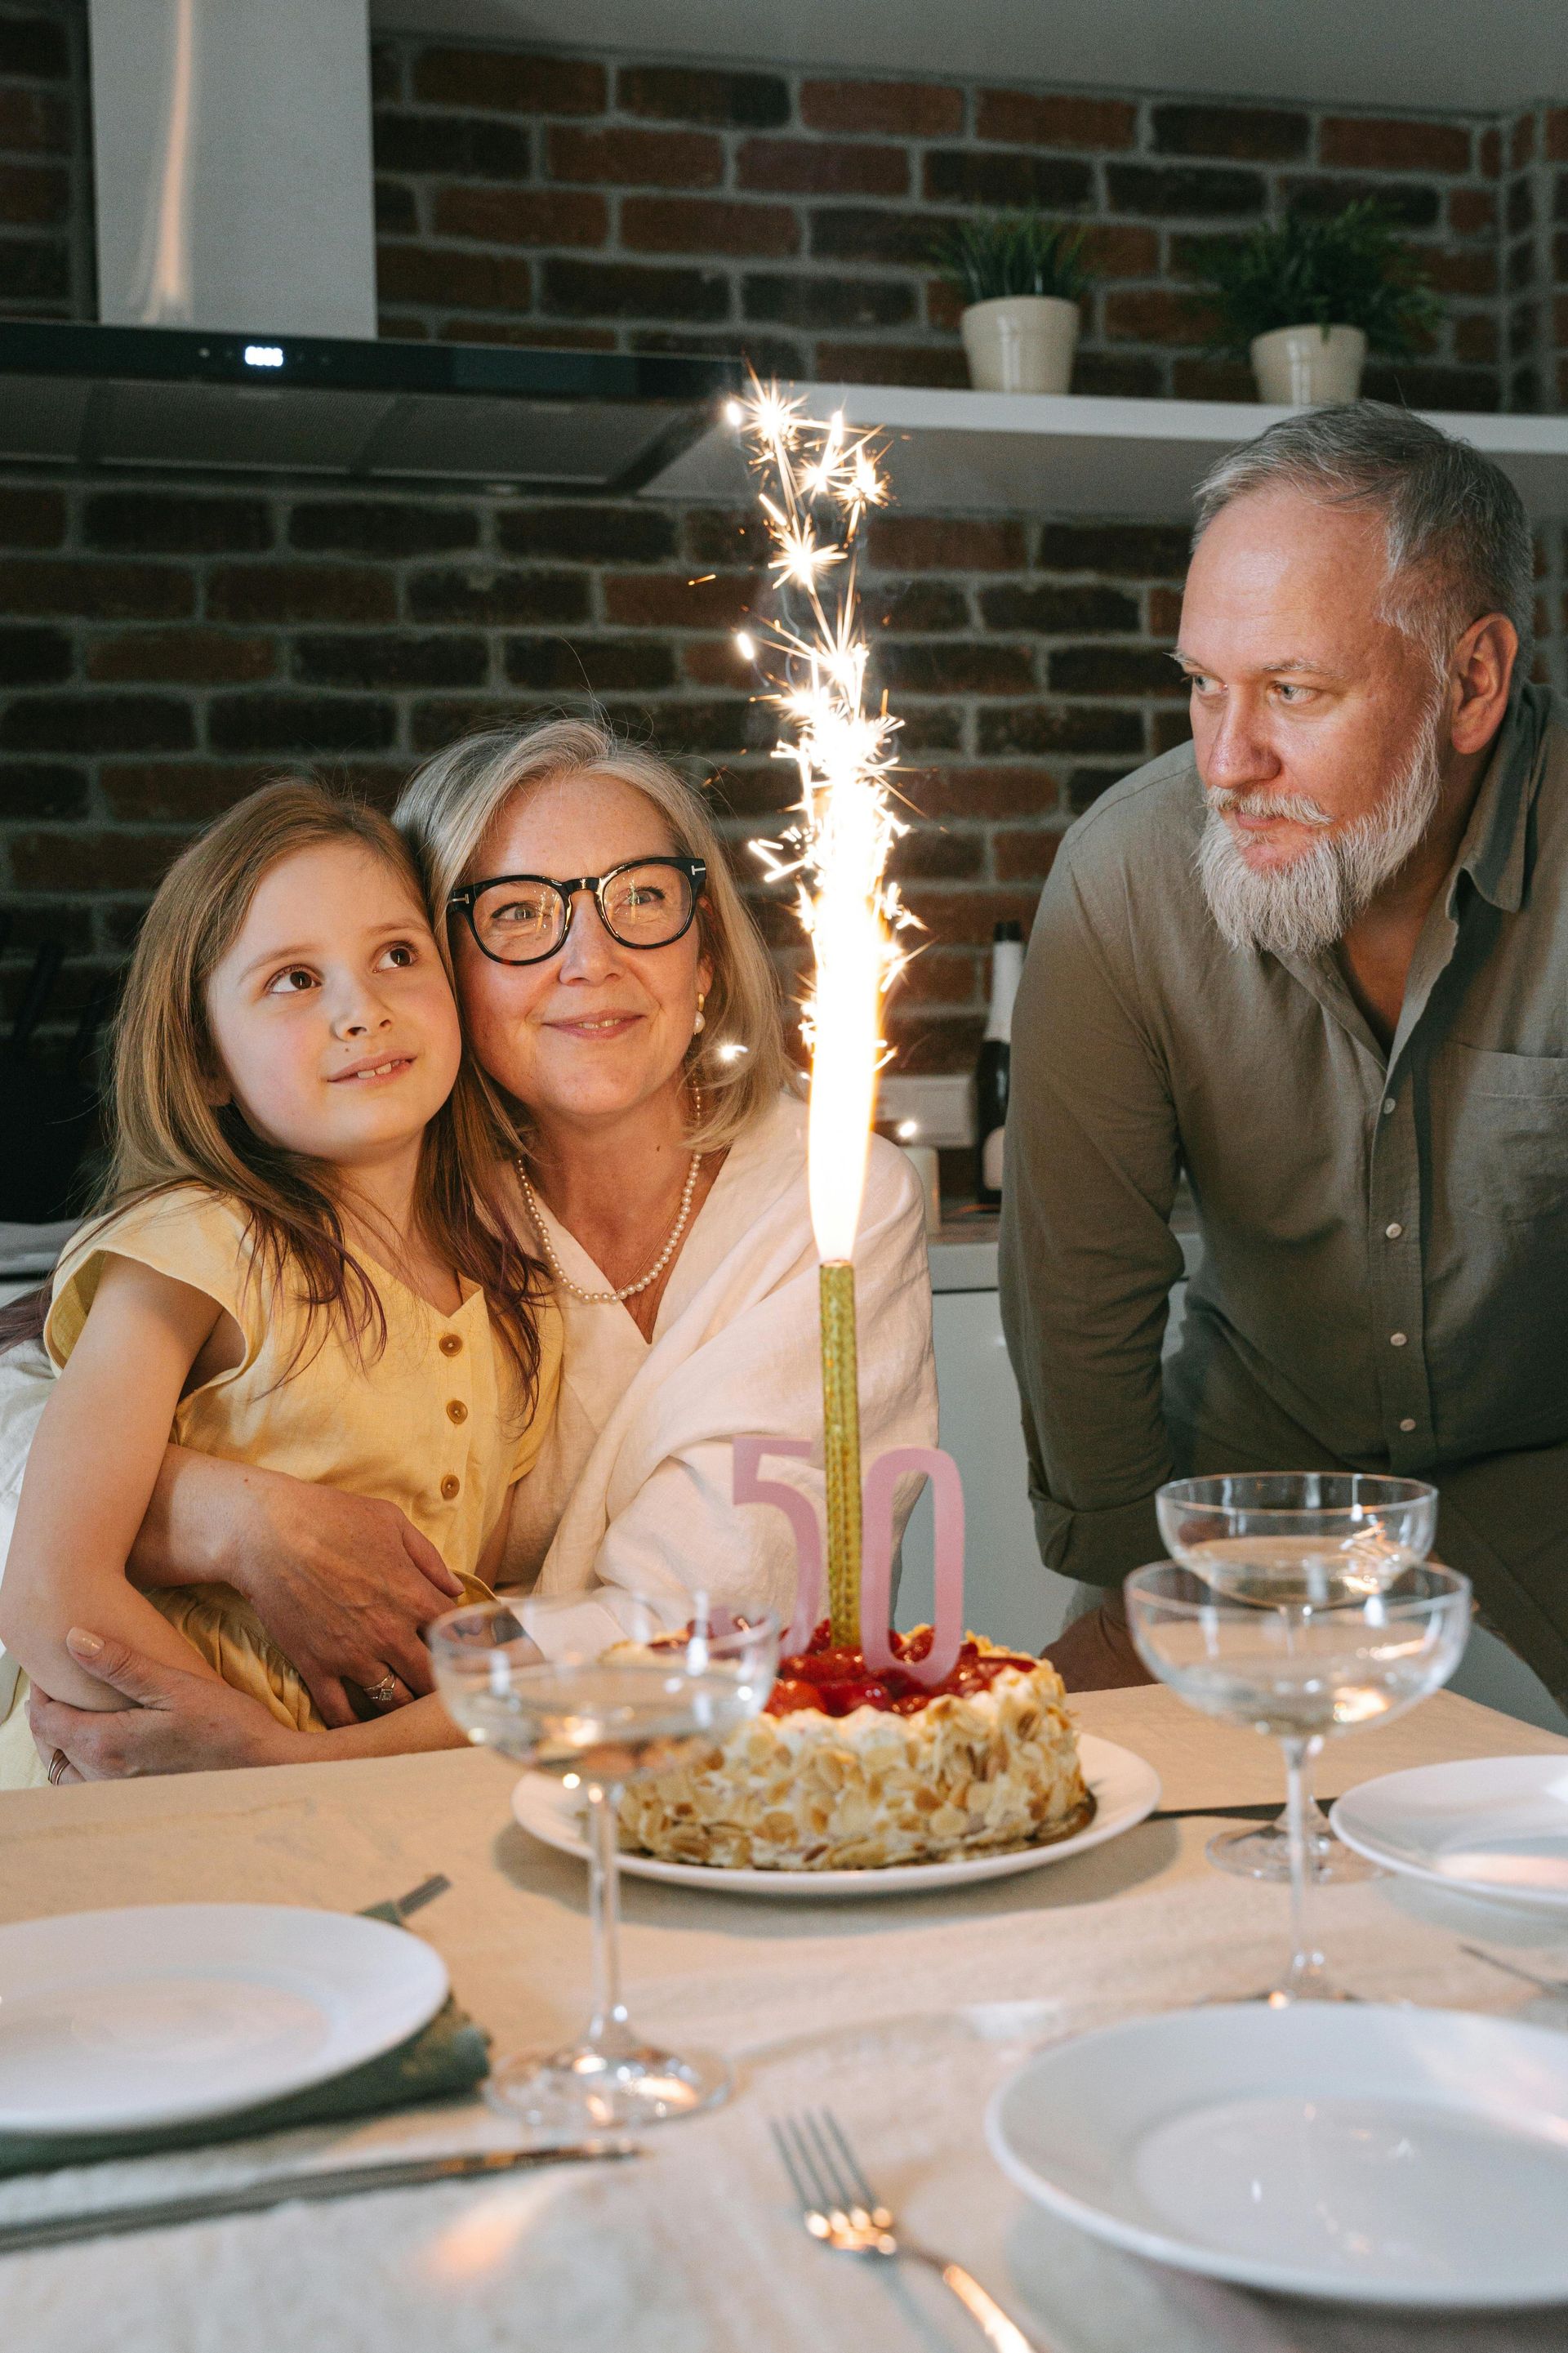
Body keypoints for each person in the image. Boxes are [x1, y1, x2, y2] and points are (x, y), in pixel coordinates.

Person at [4, 720, 937, 1778]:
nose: (592, 959)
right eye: (519, 914)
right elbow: (32, 1448)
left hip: (683, 1794)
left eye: (640, 897)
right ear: (453, 971)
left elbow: (710, 1626)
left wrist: (282, 1764)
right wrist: (236, 1521)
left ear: (708, 944)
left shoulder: (832, 1203)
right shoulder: (377, 1201)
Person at [1000, 401, 1568, 1701]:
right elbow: (1080, 1292)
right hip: (1238, 1505)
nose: (1229, 760)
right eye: (1203, 684)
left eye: (1296, 691)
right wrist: (1127, 1584)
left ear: (1474, 680)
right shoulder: (1127, 872)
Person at [0, 781, 560, 1785]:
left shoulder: (513, 1291)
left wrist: (321, 1768)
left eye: (398, 955)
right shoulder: (193, 1251)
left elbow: (469, 1633)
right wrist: (235, 1752)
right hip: (135, 1800)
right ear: (205, 1059)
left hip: (360, 1804)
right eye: (294, 979)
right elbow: (53, 1589)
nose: (364, 1008)